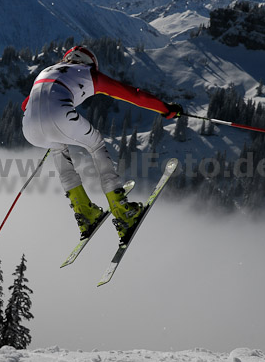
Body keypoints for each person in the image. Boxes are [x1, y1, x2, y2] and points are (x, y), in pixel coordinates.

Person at [21, 45, 182, 244]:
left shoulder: (46, 71)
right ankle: (122, 210)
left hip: (29, 128)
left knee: (58, 147)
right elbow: (134, 94)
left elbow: (25, 104)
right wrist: (166, 109)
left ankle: (85, 213)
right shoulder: (89, 73)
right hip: (58, 116)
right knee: (95, 144)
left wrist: (45, 124)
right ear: (90, 63)